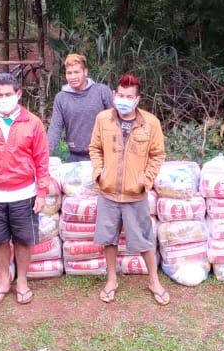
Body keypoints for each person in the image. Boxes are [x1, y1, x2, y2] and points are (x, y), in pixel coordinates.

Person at [0, 72, 51, 305]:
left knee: (24, 240)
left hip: (24, 193)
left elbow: (41, 161)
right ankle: (4, 280)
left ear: (18, 94)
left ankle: (22, 280)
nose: (3, 98)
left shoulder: (32, 123)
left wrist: (42, 192)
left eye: (8, 94)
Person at [89, 74, 169, 305]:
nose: (124, 100)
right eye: (121, 95)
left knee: (143, 240)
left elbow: (157, 155)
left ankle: (153, 280)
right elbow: (94, 148)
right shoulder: (103, 119)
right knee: (109, 238)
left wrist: (146, 179)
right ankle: (112, 279)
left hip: (136, 194)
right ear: (114, 95)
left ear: (137, 99)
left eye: (129, 97)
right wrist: (99, 173)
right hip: (108, 191)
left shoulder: (150, 123)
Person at [47, 53, 114, 161]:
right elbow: (55, 129)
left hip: (103, 154)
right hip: (75, 155)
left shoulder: (102, 91)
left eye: (76, 72)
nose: (73, 77)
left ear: (85, 72)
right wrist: (44, 154)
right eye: (69, 73)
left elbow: (116, 120)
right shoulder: (61, 98)